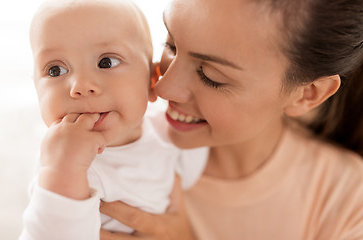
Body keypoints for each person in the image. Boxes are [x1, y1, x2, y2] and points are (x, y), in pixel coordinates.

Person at [99, 0, 363, 239]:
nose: (163, 88)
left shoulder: (350, 204)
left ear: (306, 94)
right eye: (171, 45)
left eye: (210, 75)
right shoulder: (98, 150)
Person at [19, 0, 207, 239]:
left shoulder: (167, 130)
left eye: (106, 62)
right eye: (55, 70)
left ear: (151, 80)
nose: (81, 86)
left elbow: (191, 176)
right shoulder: (64, 162)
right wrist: (61, 169)